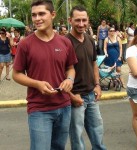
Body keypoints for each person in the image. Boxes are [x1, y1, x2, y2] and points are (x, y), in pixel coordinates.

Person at [12, 0, 77, 150]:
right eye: (34, 15)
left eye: (41, 13)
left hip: (64, 107)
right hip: (39, 109)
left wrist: (69, 79)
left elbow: (71, 68)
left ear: (53, 15)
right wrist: (37, 84)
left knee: (59, 147)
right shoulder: (25, 44)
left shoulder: (65, 42)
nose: (37, 18)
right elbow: (16, 74)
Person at [66, 5, 106, 150]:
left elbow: (94, 64)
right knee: (77, 138)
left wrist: (97, 84)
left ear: (88, 20)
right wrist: (70, 96)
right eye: (77, 20)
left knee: (98, 133)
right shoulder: (64, 42)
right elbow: (58, 73)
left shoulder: (89, 39)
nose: (81, 24)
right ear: (70, 20)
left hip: (91, 95)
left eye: (84, 20)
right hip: (75, 97)